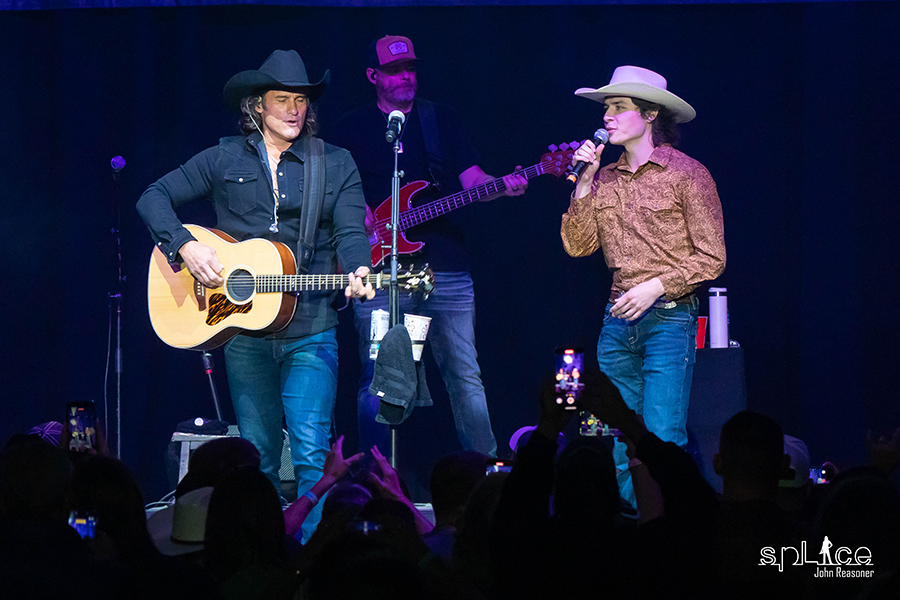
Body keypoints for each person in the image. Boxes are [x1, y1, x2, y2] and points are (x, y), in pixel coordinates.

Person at [137, 49, 374, 542]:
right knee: (259, 457)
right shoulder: (224, 156)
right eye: (281, 99)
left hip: (310, 327)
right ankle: (263, 559)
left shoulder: (335, 163)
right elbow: (152, 196)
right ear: (257, 107)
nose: (293, 109)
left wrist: (358, 268)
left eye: (301, 100)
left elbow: (351, 231)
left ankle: (311, 559)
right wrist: (186, 245)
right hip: (241, 327)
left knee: (311, 451)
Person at [329, 35, 528, 458]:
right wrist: (358, 215)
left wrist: (501, 187)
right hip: (382, 271)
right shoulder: (349, 127)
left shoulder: (440, 120)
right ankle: (378, 477)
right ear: (373, 76)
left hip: (446, 268)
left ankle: (486, 471)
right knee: (381, 376)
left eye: (411, 69)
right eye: (395, 70)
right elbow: (335, 190)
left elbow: (472, 180)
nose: (406, 76)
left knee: (464, 374)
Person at [560, 65, 726, 508]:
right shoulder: (606, 177)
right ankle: (636, 526)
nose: (607, 117)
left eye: (618, 107)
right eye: (607, 108)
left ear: (650, 114)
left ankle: (667, 534)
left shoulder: (687, 174)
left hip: (668, 320)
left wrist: (657, 286)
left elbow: (712, 256)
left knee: (660, 434)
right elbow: (578, 247)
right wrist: (585, 181)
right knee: (619, 437)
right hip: (617, 323)